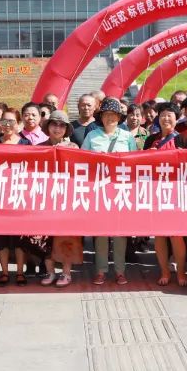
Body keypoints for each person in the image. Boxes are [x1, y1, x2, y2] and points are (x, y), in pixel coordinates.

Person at [82, 99, 135, 285]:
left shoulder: (127, 136)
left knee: (120, 233)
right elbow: (82, 160)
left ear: (119, 118)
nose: (110, 118)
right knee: (101, 233)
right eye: (106, 115)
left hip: (121, 190)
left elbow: (135, 161)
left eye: (113, 115)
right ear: (101, 117)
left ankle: (120, 271)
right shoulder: (92, 136)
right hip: (99, 191)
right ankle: (101, 270)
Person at [143, 102, 187, 287]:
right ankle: (164, 270)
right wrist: (147, 155)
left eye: (170, 115)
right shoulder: (151, 139)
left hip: (175, 193)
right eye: (162, 115)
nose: (166, 119)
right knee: (159, 234)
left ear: (177, 118)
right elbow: (141, 165)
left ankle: (180, 271)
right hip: (155, 192)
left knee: (176, 234)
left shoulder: (183, 139)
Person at [38, 111, 83, 287]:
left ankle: (66, 272)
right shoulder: (39, 148)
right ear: (48, 127)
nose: (57, 128)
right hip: (45, 198)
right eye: (54, 124)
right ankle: (50, 272)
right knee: (45, 238)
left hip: (66, 199)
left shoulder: (73, 147)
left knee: (66, 237)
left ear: (66, 129)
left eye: (61, 125)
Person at [0, 108, 32, 286]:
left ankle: (20, 272)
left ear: (18, 123)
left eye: (11, 121)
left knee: (20, 239)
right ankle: (4, 272)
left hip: (19, 196)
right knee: (1, 240)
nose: (7, 125)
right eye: (4, 121)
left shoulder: (26, 144)